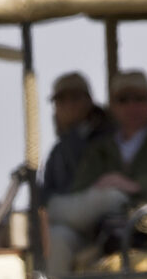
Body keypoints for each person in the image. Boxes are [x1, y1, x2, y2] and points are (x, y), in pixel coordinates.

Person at [45, 69, 147, 274]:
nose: (131, 107)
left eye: (139, 99)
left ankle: (48, 213)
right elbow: (81, 189)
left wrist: (135, 186)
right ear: (112, 105)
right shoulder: (101, 148)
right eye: (123, 100)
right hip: (105, 232)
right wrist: (100, 185)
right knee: (59, 236)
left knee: (112, 197)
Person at [42, 71, 110, 200]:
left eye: (75, 98)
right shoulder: (58, 150)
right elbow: (46, 193)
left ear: (89, 101)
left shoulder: (108, 137)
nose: (69, 106)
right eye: (61, 100)